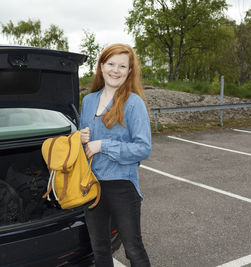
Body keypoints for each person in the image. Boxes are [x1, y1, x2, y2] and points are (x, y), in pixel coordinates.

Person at [79, 43, 151, 267]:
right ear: (101, 66)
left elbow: (142, 148)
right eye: (111, 64)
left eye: (122, 66)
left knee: (133, 250)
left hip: (122, 186)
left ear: (129, 71)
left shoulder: (133, 103)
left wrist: (103, 145)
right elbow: (85, 149)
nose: (115, 70)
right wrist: (80, 140)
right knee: (100, 251)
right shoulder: (88, 101)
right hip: (92, 186)